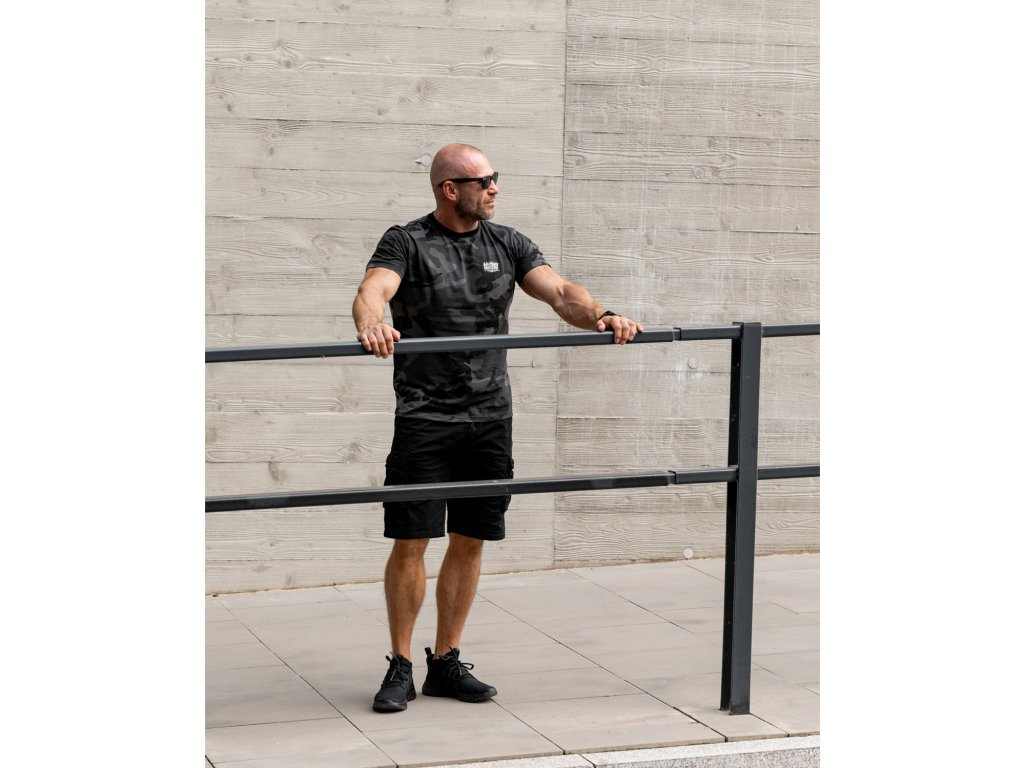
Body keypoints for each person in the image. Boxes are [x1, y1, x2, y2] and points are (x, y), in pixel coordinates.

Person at [352, 144, 643, 713]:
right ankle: (400, 664)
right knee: (412, 542)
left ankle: (446, 662)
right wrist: (373, 324)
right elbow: (373, 291)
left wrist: (603, 315)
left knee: (470, 539)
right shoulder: (407, 241)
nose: (494, 188)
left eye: (495, 179)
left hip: (489, 420)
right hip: (425, 419)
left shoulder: (507, 242)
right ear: (449, 189)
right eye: (483, 181)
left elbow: (561, 292)